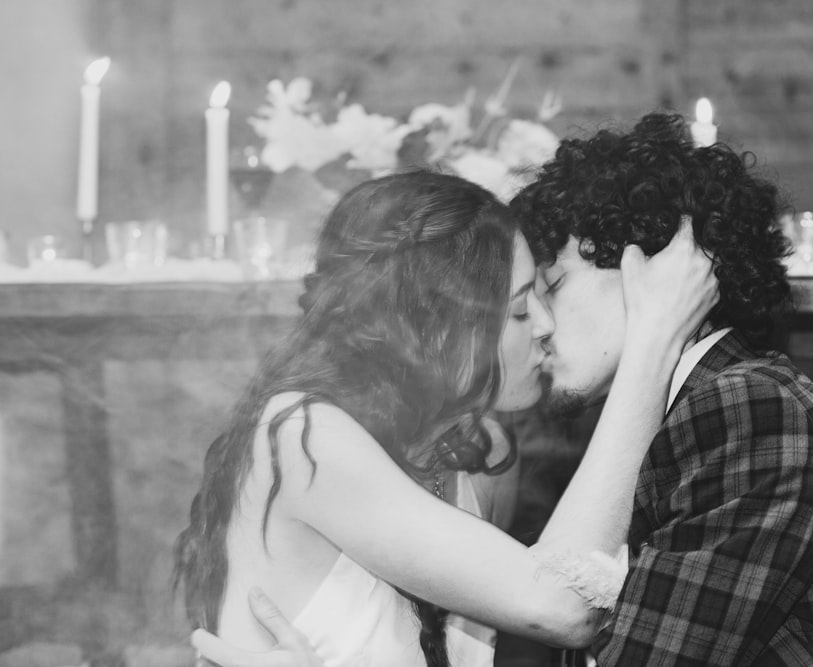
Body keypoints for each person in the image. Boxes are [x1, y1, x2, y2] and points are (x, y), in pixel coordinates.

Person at [175, 169, 719, 667]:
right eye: (521, 308)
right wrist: (654, 340)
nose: (547, 325)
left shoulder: (482, 453)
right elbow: (563, 604)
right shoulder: (305, 434)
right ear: (434, 327)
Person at [510, 112, 813, 665]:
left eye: (552, 285)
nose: (539, 324)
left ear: (653, 266)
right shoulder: (671, 410)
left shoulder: (749, 406)